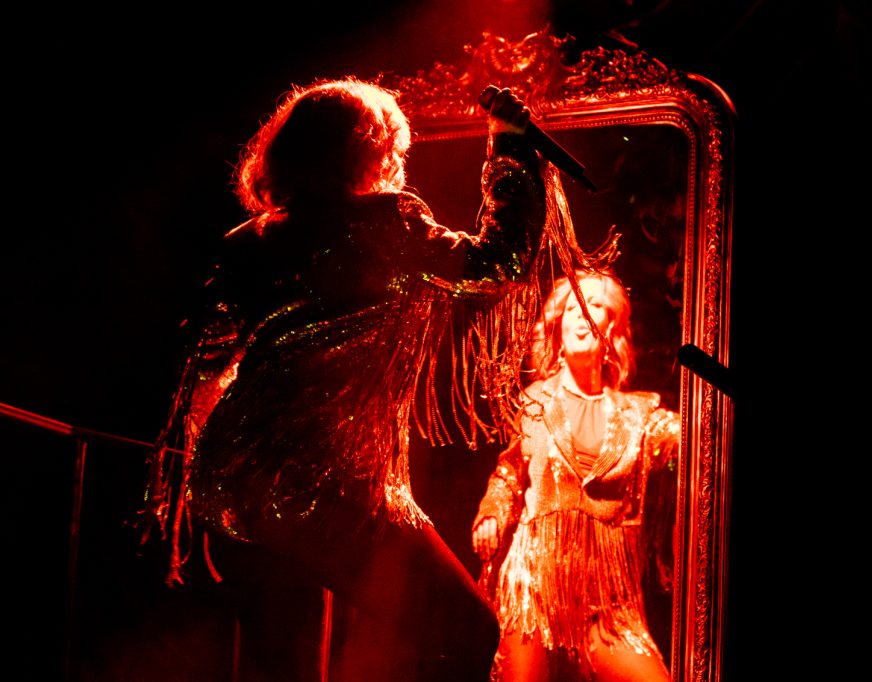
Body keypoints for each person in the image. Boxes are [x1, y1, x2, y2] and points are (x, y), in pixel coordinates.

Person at [139, 76, 569, 681]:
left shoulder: (245, 242)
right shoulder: (389, 222)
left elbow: (202, 366)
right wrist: (511, 149)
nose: (397, 162)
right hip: (327, 483)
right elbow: (498, 263)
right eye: (392, 148)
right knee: (465, 628)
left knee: (285, 660)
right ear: (368, 149)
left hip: (235, 480)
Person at [471, 270, 681, 682]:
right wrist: (491, 513)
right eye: (573, 307)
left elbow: (695, 438)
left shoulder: (639, 415)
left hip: (610, 603)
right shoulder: (535, 402)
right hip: (536, 590)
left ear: (612, 327)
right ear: (558, 325)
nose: (583, 314)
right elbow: (509, 473)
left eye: (596, 305)